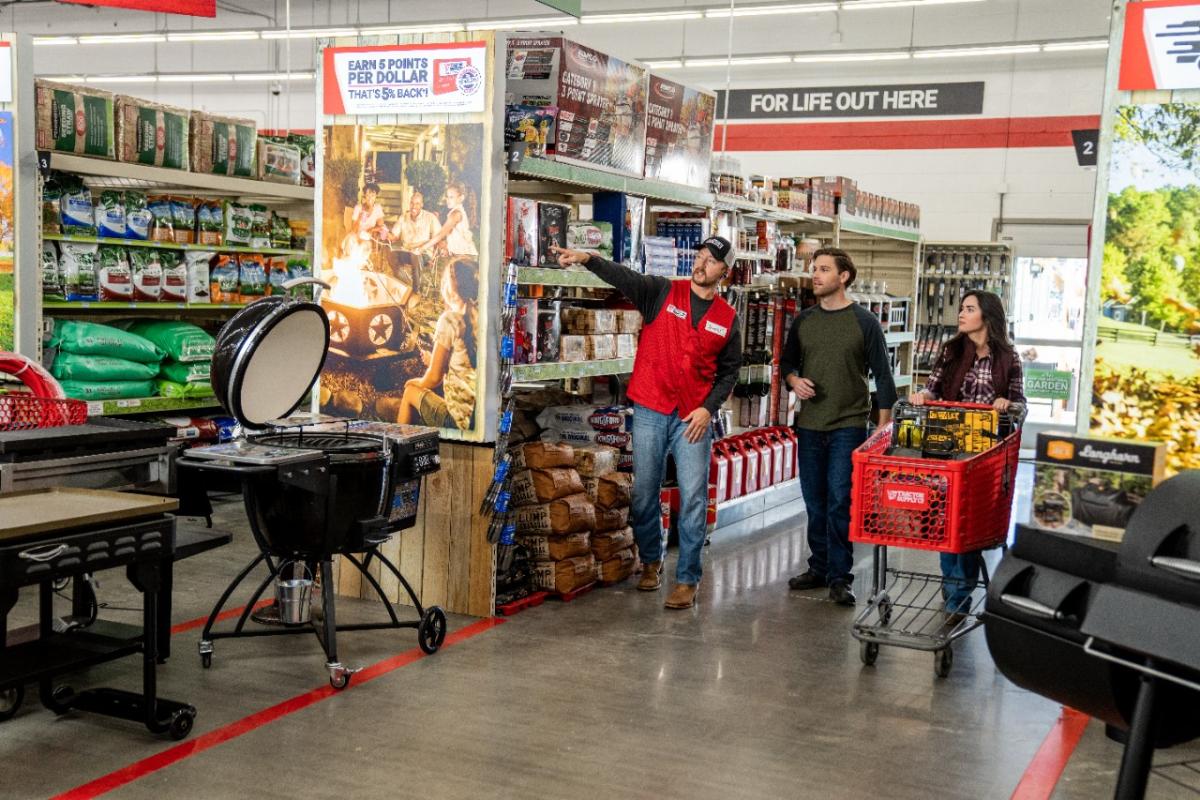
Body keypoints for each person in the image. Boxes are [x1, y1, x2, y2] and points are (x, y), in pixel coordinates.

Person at [553, 237, 741, 610]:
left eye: (711, 260)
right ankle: (652, 561)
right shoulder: (661, 292)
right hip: (653, 408)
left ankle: (687, 579)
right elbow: (622, 276)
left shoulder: (727, 319)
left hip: (692, 418)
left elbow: (729, 373)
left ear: (724, 272)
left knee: (693, 498)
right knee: (644, 492)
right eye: (699, 256)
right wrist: (589, 258)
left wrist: (708, 408)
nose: (701, 263)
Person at [782, 247, 897, 607]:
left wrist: (880, 432)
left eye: (824, 269)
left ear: (844, 276)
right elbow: (787, 364)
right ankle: (818, 567)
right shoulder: (804, 321)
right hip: (810, 425)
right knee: (814, 502)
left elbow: (884, 379)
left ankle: (838, 576)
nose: (815, 275)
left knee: (838, 502)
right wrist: (793, 381)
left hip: (849, 424)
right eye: (814, 269)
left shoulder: (864, 322)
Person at [907, 290, 1025, 617]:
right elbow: (935, 386)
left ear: (986, 316)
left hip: (984, 455)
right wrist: (922, 395)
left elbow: (1020, 403)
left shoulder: (1008, 358)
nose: (961, 314)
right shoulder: (951, 350)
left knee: (968, 523)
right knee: (945, 519)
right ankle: (953, 588)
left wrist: (1007, 404)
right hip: (946, 447)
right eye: (961, 309)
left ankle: (959, 593)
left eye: (969, 309)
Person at [396, 257, 478, 431]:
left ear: (450, 288)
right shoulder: (481, 315)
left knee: (410, 391)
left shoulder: (450, 320)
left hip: (462, 422)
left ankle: (398, 450)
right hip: (481, 415)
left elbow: (434, 378)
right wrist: (434, 359)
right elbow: (465, 361)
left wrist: (416, 382)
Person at [419, 182, 478, 257]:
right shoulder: (455, 212)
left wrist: (421, 249)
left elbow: (440, 235)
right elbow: (451, 237)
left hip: (466, 255)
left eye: (451, 197)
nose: (448, 200)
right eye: (447, 197)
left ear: (461, 198)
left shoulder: (456, 214)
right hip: (459, 254)